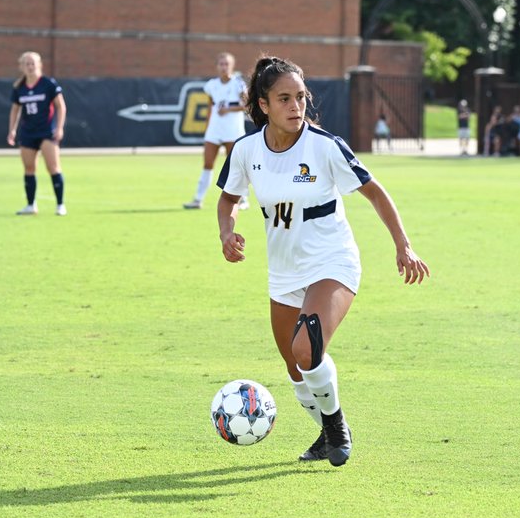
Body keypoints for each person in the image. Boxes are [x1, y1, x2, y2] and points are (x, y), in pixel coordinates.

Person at [215, 56, 430, 467]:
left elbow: (375, 192)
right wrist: (227, 232)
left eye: (300, 97)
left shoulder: (324, 146)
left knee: (306, 348)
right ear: (263, 105)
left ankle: (336, 428)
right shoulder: (246, 150)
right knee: (296, 370)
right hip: (284, 272)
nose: (295, 106)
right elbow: (228, 200)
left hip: (333, 262)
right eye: (284, 99)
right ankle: (327, 432)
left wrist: (404, 246)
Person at [184, 52, 249, 210]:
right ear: (217, 66)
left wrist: (228, 109)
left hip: (233, 130)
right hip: (215, 130)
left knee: (235, 167)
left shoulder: (238, 84)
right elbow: (210, 106)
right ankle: (198, 199)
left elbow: (246, 106)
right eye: (221, 64)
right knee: (207, 164)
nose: (224, 67)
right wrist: (208, 127)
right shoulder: (211, 85)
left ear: (232, 66)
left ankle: (243, 200)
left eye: (227, 64)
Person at [6, 51, 66, 216]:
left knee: (53, 167)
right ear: (22, 67)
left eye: (33, 63)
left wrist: (59, 127)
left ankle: (60, 205)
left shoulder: (48, 84)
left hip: (46, 131)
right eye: (27, 64)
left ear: (39, 65)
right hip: (28, 132)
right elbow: (15, 110)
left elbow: (61, 106)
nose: (30, 66)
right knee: (29, 168)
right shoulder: (19, 87)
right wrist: (12, 130)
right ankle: (31, 205)